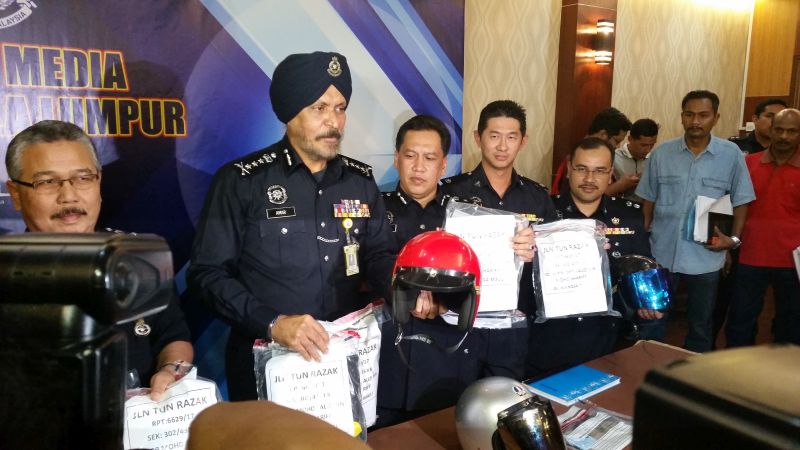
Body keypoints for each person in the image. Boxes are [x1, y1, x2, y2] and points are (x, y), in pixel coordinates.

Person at [187, 52, 395, 400]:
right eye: (319, 108)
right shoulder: (242, 180)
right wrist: (273, 323)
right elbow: (206, 275)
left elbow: (378, 254)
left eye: (340, 108)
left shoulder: (360, 181)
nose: (334, 122)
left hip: (343, 362)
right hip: (267, 365)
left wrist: (402, 288)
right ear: (289, 113)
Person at [5, 119, 193, 399]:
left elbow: (173, 338)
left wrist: (172, 371)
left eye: (82, 178)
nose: (68, 196)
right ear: (16, 194)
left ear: (99, 181)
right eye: (46, 182)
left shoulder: (141, 256)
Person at [376, 114, 536, 426]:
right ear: (396, 159)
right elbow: (372, 263)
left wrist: (520, 248)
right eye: (410, 156)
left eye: (430, 157)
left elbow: (488, 266)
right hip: (395, 347)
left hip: (450, 348)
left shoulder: (467, 213)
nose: (419, 167)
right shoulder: (376, 209)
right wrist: (406, 293)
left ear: (443, 165)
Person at [439, 100, 557, 379]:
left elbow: (551, 263)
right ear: (478, 138)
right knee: (453, 400)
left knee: (507, 400)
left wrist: (536, 250)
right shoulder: (450, 194)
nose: (502, 146)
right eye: (494, 136)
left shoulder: (537, 196)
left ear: (523, 141)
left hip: (514, 325)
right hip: (462, 321)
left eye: (511, 137)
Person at [635, 90, 755, 352]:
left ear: (716, 117)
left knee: (700, 325)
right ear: (682, 117)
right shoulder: (662, 153)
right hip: (661, 254)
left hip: (705, 257)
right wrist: (644, 244)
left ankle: (691, 381)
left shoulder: (731, 154)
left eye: (703, 115)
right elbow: (648, 199)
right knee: (652, 321)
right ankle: (647, 373)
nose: (696, 121)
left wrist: (733, 241)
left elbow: (742, 200)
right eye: (689, 114)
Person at [547, 138, 663, 361]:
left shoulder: (629, 215)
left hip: (610, 334)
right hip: (551, 333)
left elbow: (642, 266)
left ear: (610, 173)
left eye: (599, 171)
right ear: (569, 169)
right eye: (582, 169)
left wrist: (647, 301)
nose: (590, 179)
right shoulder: (545, 212)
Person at [725, 108, 800, 347]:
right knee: (740, 321)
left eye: (792, 131)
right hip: (750, 255)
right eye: (779, 129)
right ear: (771, 129)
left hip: (793, 261)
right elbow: (730, 207)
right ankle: (738, 373)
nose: (784, 136)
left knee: (790, 324)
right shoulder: (748, 164)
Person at [551, 107, 632, 194]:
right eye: (616, 141)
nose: (617, 146)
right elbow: (581, 197)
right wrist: (619, 185)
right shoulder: (574, 160)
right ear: (603, 134)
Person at [606, 118, 659, 201]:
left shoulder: (655, 160)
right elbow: (600, 194)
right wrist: (621, 185)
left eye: (652, 145)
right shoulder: (612, 157)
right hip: (617, 208)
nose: (648, 150)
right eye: (643, 145)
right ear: (630, 139)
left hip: (644, 210)